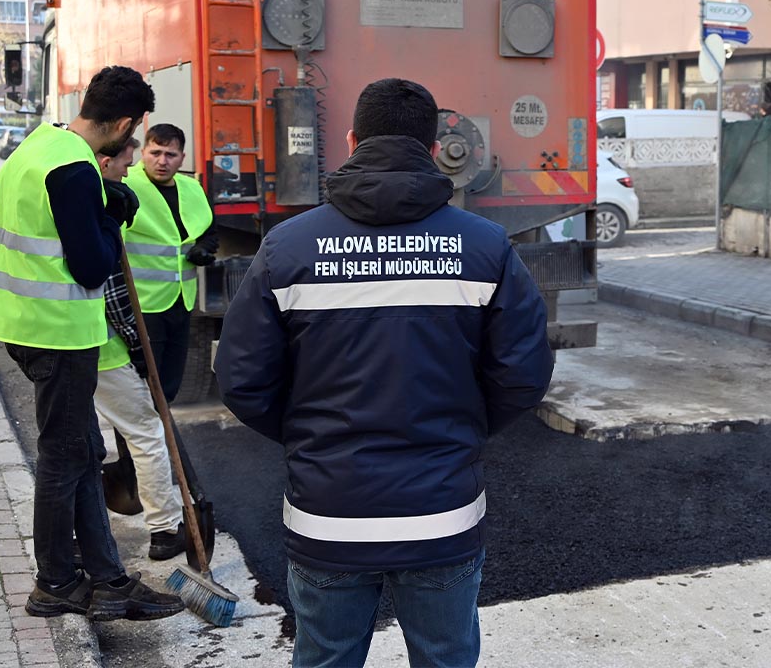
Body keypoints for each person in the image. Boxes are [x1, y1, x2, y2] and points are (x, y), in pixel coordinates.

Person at [215, 78, 553, 667]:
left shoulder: (287, 249)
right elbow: (522, 375)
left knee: (326, 658)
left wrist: (308, 434)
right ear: (433, 146)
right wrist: (464, 430)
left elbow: (243, 379)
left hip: (328, 514)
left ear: (351, 141)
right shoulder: (486, 246)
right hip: (442, 512)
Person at [0, 66, 184, 620]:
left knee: (85, 451)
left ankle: (107, 578)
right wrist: (115, 216)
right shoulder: (75, 170)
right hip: (56, 331)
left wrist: (103, 209)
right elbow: (92, 266)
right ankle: (56, 582)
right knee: (66, 458)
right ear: (125, 122)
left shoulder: (39, 143)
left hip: (22, 322)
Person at [95, 137, 186, 560]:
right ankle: (166, 531)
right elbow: (115, 296)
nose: (132, 172)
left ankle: (80, 541)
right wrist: (136, 347)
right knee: (148, 433)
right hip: (101, 346)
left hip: (53, 343)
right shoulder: (101, 212)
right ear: (107, 161)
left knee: (75, 445)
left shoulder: (66, 196)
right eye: (129, 163)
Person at [123, 124, 217, 403]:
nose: (162, 161)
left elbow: (209, 233)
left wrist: (202, 250)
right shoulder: (127, 185)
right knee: (142, 388)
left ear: (183, 157)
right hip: (141, 304)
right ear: (143, 152)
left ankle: (159, 439)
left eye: (171, 155)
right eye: (156, 153)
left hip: (181, 301)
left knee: (168, 385)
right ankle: (143, 443)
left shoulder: (192, 189)